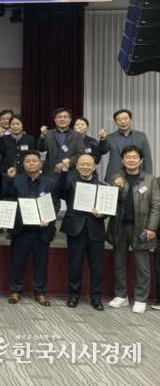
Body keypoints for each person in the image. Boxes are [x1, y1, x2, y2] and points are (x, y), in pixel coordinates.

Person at [107, 146, 160, 314]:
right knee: (119, 263)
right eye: (128, 157)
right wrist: (117, 188)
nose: (131, 160)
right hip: (120, 226)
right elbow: (109, 202)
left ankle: (141, 299)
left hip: (142, 228)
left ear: (141, 160)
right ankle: (121, 296)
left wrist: (151, 227)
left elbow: (156, 206)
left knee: (142, 266)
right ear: (123, 160)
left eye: (134, 157)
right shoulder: (115, 178)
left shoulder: (150, 180)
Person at [3, 150, 59, 306]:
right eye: (28, 161)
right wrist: (9, 179)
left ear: (40, 164)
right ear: (23, 164)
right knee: (17, 262)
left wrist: (48, 218)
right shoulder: (17, 180)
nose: (31, 164)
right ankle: (15, 291)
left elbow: (55, 204)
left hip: (42, 230)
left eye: (34, 161)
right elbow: (7, 196)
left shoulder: (50, 182)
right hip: (21, 230)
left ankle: (40, 292)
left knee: (41, 264)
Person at [56, 153, 107, 311]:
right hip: (75, 229)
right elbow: (60, 191)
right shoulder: (70, 182)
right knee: (75, 265)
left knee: (97, 267)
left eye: (88, 164)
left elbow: (108, 209)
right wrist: (64, 171)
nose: (85, 167)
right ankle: (73, 295)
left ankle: (96, 297)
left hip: (95, 230)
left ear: (94, 167)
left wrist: (102, 214)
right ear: (77, 167)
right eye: (82, 164)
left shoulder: (103, 186)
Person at [99, 109, 154, 183]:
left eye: (125, 118)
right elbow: (102, 151)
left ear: (131, 120)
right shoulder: (110, 137)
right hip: (115, 176)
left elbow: (147, 158)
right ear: (116, 122)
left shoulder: (141, 136)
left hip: (137, 176)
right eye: (119, 120)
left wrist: (148, 177)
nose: (123, 121)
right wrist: (103, 139)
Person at [38, 107, 84, 179]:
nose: (62, 119)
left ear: (70, 120)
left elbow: (80, 154)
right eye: (59, 117)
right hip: (50, 174)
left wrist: (65, 164)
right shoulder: (48, 134)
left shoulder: (77, 136)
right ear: (55, 120)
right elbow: (41, 150)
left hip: (70, 173)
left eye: (65, 117)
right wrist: (42, 136)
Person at [0, 114, 35, 179]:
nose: (15, 126)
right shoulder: (4, 138)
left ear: (22, 125)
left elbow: (33, 156)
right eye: (13, 124)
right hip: (7, 174)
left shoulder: (29, 139)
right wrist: (0, 138)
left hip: (25, 174)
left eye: (18, 124)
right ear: (9, 126)